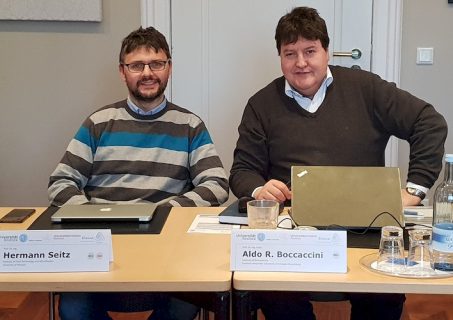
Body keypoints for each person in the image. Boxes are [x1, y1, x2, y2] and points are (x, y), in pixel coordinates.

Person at [229, 6, 447, 320]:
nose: (301, 63)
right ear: (279, 57)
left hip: (367, 224)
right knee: (275, 294)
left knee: (383, 297)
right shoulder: (261, 104)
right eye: (290, 54)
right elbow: (241, 171)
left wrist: (415, 188)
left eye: (310, 51)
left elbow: (429, 122)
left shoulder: (366, 89)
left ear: (327, 52)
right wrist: (260, 187)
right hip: (294, 230)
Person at [48, 26, 229, 320]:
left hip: (167, 248)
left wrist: (163, 212)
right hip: (103, 247)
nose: (147, 73)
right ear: (122, 72)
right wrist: (95, 216)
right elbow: (61, 181)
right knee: (74, 308)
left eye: (156, 63)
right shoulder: (98, 123)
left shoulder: (189, 125)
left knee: (185, 303)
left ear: (168, 68)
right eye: (136, 65)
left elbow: (217, 184)